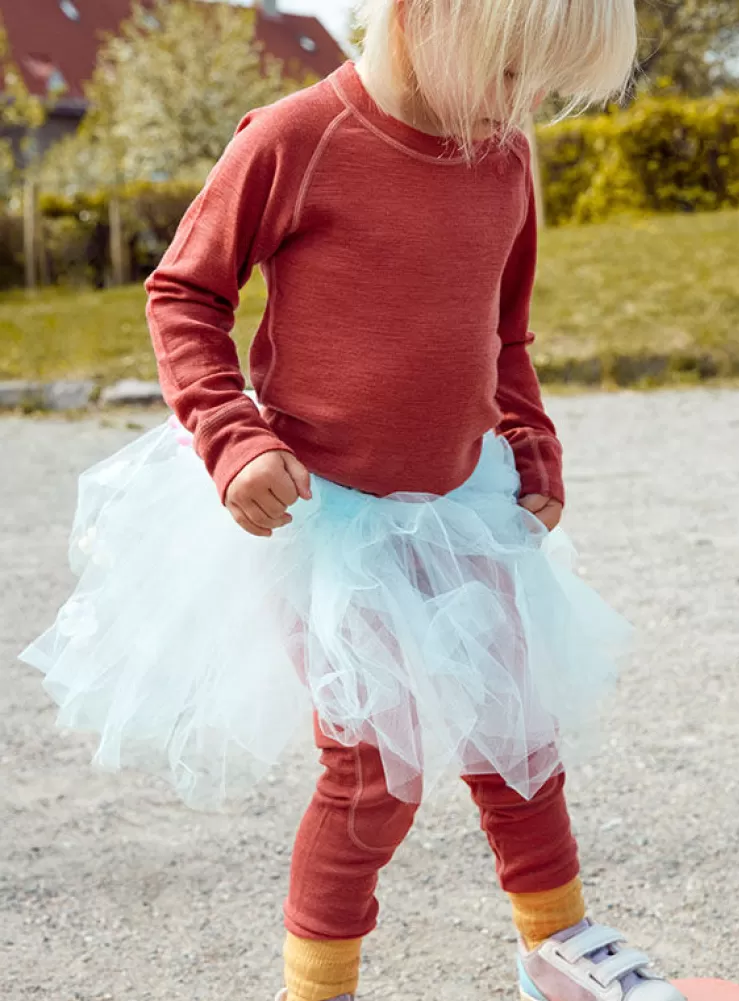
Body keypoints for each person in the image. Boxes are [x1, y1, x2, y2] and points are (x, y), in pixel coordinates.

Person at [20, 1, 688, 999]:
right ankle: (318, 988)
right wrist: (231, 434)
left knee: (518, 734)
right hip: (326, 518)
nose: (528, 105)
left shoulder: (502, 159)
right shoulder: (297, 139)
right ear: (423, 17)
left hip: (464, 503)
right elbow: (184, 295)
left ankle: (558, 948)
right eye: (514, 75)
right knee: (376, 769)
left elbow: (502, 338)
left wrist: (530, 442)